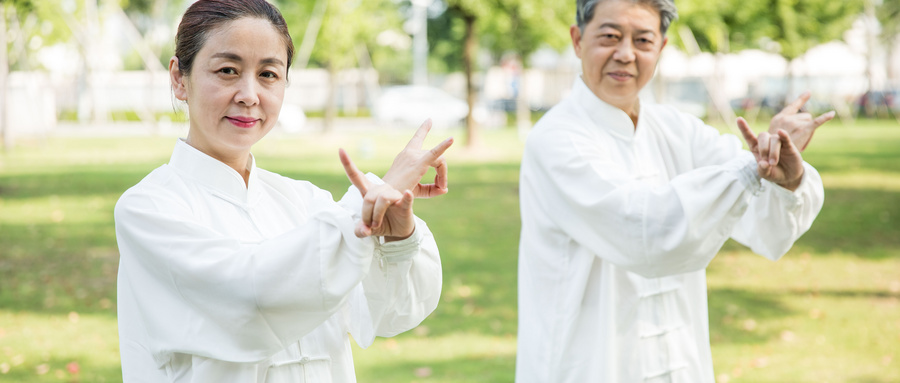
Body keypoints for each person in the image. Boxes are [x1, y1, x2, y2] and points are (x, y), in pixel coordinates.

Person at [114, 0, 453, 381]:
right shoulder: (150, 210)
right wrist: (365, 204)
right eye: (227, 70)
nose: (249, 94)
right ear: (179, 78)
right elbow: (251, 298)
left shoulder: (307, 202)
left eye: (269, 74)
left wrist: (395, 235)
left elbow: (390, 313)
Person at [515, 0, 832, 381]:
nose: (626, 54)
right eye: (610, 37)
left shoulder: (678, 130)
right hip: (589, 365)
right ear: (577, 39)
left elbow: (768, 226)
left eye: (643, 40)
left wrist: (783, 170)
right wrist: (752, 170)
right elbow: (645, 231)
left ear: (661, 49)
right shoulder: (556, 139)